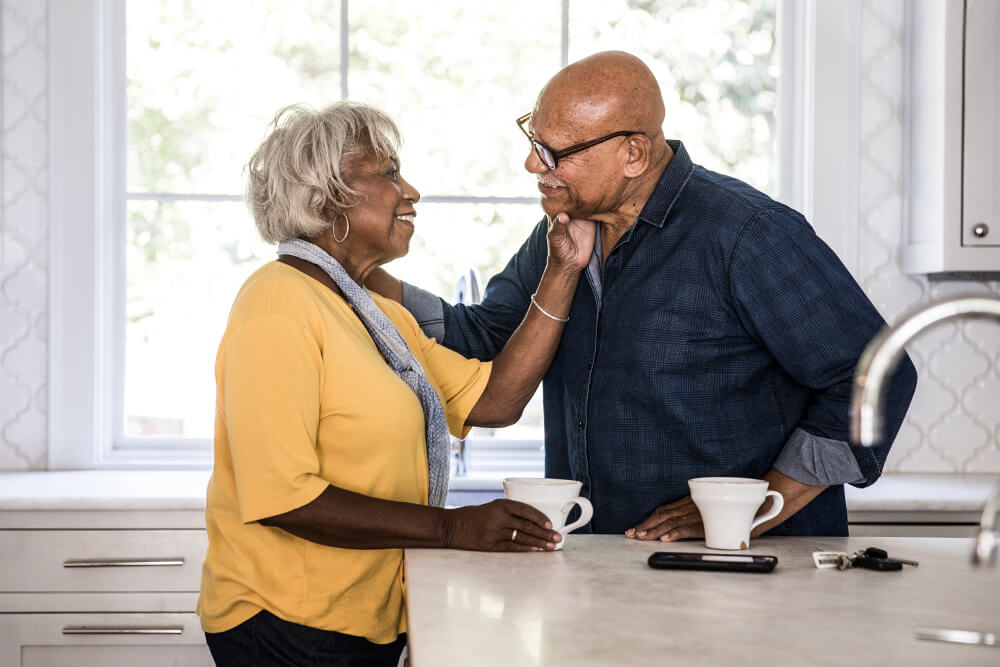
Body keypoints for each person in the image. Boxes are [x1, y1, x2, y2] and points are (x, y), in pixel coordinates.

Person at [366, 51, 918, 541]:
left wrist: (755, 506)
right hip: (602, 564)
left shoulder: (746, 233)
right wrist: (353, 273)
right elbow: (485, 336)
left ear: (633, 153)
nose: (534, 165)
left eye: (554, 151)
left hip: (739, 572)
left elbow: (878, 374)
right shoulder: (563, 229)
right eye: (533, 142)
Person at [197, 101, 594, 666]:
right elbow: (285, 498)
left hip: (363, 619)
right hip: (288, 621)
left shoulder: (376, 314)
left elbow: (496, 399)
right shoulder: (276, 303)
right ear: (328, 198)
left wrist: (562, 271)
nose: (409, 191)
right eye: (387, 174)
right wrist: (453, 527)